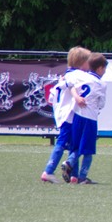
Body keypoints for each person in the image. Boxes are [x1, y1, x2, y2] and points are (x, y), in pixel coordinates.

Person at [40, 46, 90, 183]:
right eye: (88, 61)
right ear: (82, 63)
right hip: (70, 115)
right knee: (63, 142)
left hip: (62, 114)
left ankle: (74, 176)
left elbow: (51, 97)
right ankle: (48, 171)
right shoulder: (78, 75)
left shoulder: (64, 76)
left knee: (74, 143)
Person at [68, 52, 108, 185]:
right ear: (100, 68)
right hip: (90, 118)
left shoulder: (81, 76)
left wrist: (77, 97)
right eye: (104, 69)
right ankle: (81, 175)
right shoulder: (101, 84)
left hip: (77, 114)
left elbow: (71, 86)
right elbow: (101, 103)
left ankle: (70, 165)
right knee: (88, 149)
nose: (104, 72)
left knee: (76, 144)